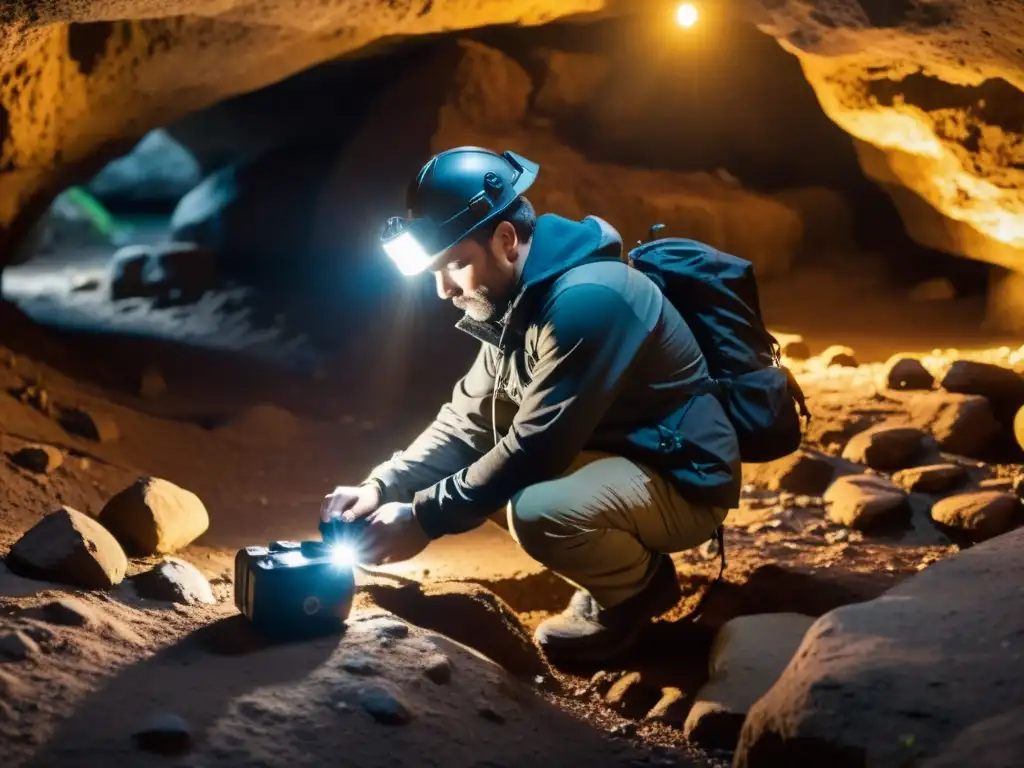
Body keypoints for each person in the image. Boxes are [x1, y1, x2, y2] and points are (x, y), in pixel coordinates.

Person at [320, 146, 741, 664]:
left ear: (506, 240)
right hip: (616, 453)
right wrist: (382, 485)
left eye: (454, 266)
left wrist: (423, 517)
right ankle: (615, 564)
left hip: (682, 477)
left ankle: (638, 589)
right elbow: (465, 422)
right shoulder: (517, 303)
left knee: (540, 510)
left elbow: (537, 448)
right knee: (483, 459)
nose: (443, 290)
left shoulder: (590, 298)